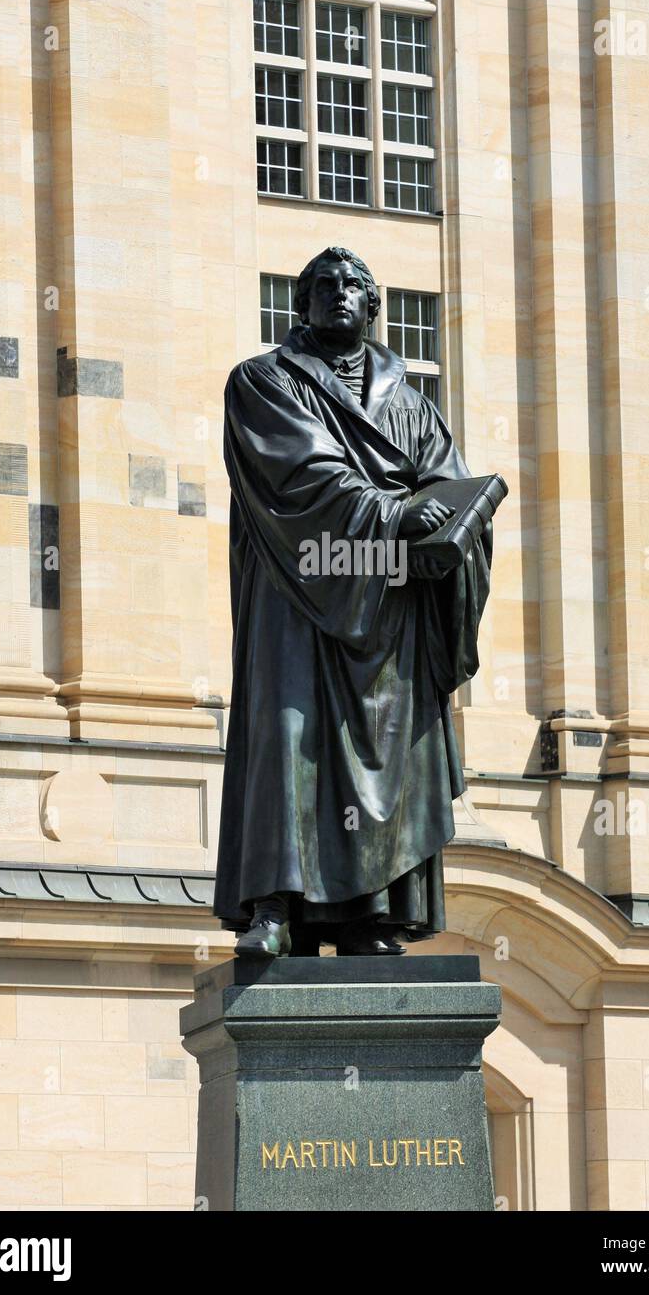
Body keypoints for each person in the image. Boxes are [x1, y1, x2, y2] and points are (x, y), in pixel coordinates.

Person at [215, 245, 492, 956]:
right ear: (300, 304)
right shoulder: (263, 381)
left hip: (390, 605)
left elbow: (450, 489)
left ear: (374, 307)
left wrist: (454, 531)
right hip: (300, 587)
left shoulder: (413, 408)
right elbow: (299, 475)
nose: (339, 293)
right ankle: (276, 905)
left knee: (387, 746)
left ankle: (375, 912)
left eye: (354, 286)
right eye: (324, 285)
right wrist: (396, 516)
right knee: (289, 736)